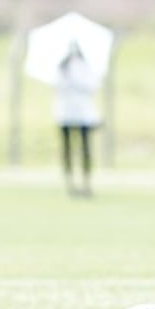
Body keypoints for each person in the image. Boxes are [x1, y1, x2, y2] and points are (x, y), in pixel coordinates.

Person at [54, 40, 100, 197]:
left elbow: (92, 86)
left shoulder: (86, 67)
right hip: (66, 114)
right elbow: (58, 87)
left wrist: (78, 81)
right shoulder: (61, 68)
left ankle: (86, 183)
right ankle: (69, 183)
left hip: (83, 113)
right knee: (67, 149)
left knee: (85, 149)